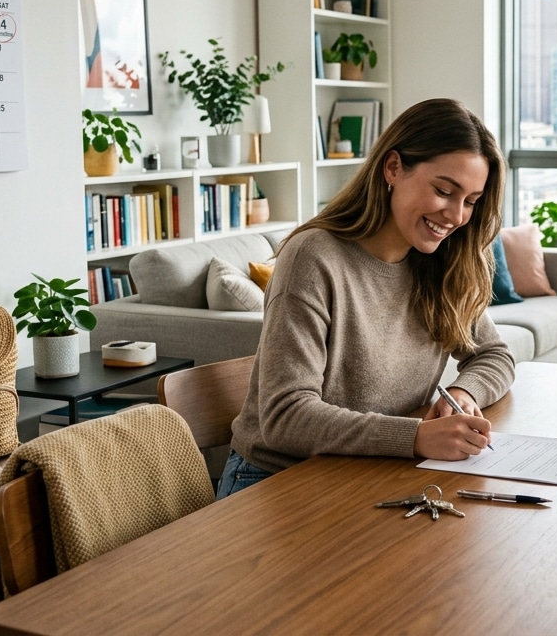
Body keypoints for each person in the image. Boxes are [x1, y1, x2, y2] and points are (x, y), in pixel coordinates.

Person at [217, 98, 514, 498]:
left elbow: (494, 355)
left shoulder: (441, 263)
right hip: (278, 479)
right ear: (393, 168)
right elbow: (285, 416)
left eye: (471, 202)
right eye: (444, 190)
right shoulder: (314, 257)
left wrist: (463, 393)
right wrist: (415, 437)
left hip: (374, 467)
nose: (456, 216)